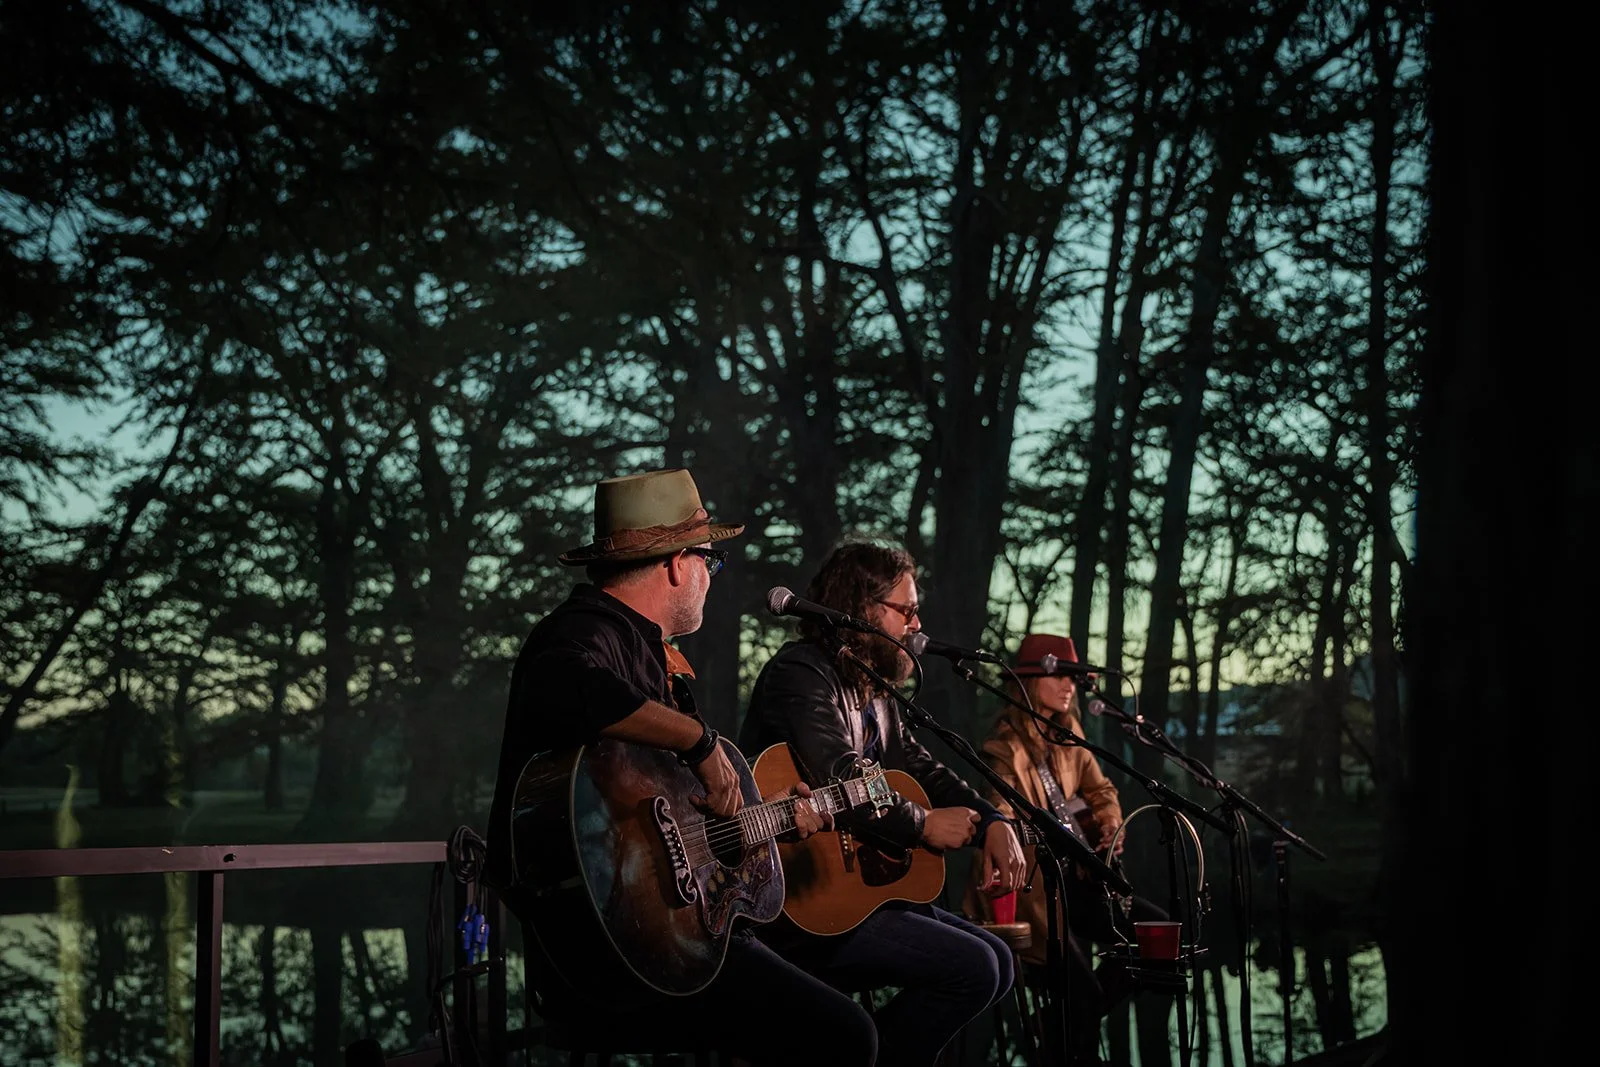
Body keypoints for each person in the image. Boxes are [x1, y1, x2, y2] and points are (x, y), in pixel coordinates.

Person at [485, 468, 877, 1067]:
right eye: (709, 562)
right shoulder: (583, 632)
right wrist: (700, 742)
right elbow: (568, 687)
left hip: (668, 939)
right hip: (612, 957)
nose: (709, 578)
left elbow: (679, 827)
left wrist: (769, 826)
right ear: (675, 563)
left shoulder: (652, 654)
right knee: (846, 1035)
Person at [739, 538, 1028, 1067]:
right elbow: (842, 775)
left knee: (1002, 963)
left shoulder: (870, 689)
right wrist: (921, 826)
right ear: (862, 609)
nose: (917, 625)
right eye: (907, 611)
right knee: (975, 969)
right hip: (803, 907)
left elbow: (922, 767)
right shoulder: (801, 673)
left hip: (862, 897)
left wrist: (991, 821)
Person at [964, 632, 1169, 1066]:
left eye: (1075, 679)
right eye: (1059, 676)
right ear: (1027, 682)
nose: (1070, 686)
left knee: (1159, 935)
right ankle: (1063, 1034)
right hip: (1031, 897)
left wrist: (1110, 822)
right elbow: (998, 816)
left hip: (1078, 883)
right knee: (1084, 996)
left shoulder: (1069, 731)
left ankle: (1054, 1026)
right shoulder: (1003, 748)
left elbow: (1101, 789)